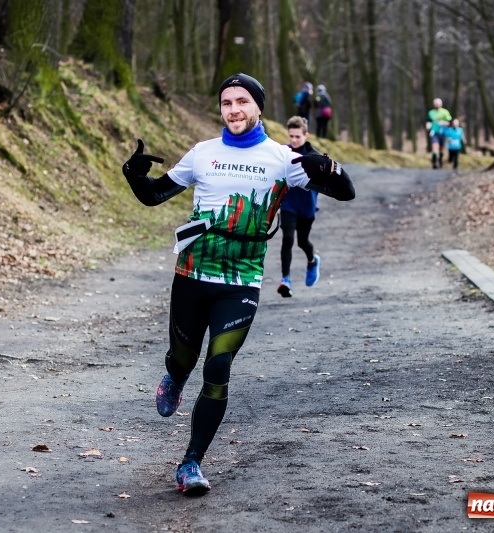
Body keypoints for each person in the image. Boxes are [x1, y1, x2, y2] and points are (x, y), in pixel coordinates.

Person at [121, 73, 355, 496]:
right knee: (183, 357)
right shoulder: (203, 153)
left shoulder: (283, 158)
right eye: (226, 102)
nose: (233, 109)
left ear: (259, 107)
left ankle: (191, 463)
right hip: (192, 275)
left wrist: (331, 168)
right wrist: (134, 176)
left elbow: (346, 192)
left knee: (218, 366)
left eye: (242, 101)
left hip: (241, 281)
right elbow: (154, 196)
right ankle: (173, 376)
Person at [278, 116, 321, 298]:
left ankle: (312, 261)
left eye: (297, 136)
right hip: (288, 204)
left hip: (307, 207)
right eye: (291, 136)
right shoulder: (283, 153)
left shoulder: (314, 156)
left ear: (306, 135)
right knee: (287, 238)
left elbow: (324, 182)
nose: (294, 140)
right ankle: (285, 280)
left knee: (302, 242)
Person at [425, 97, 452, 169]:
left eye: (438, 103)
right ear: (433, 104)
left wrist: (443, 122)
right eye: (435, 103)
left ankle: (440, 159)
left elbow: (449, 122)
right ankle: (434, 161)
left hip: (443, 132)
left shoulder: (445, 112)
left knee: (441, 149)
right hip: (434, 132)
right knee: (435, 147)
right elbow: (428, 121)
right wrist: (428, 126)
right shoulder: (431, 113)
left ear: (441, 104)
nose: (437, 104)